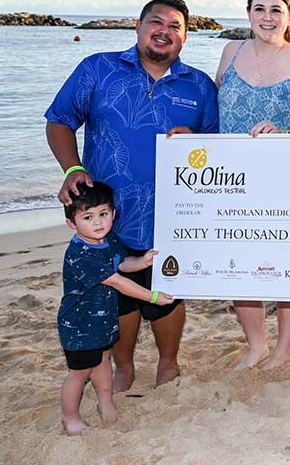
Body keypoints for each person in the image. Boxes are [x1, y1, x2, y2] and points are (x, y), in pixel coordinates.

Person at [45, 0, 219, 392]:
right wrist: (72, 169)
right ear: (138, 26)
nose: (164, 31)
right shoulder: (98, 69)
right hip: (107, 215)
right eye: (157, 22)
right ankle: (124, 367)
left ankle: (168, 364)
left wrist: (198, 141)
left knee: (168, 291)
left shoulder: (200, 86)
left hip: (173, 213)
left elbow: (219, 145)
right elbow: (59, 120)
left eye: (175, 26)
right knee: (117, 296)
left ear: (186, 37)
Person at [214, 0, 290, 370]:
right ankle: (257, 344)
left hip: (284, 182)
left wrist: (283, 133)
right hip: (230, 182)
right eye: (259, 8)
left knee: (286, 262)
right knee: (239, 262)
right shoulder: (230, 52)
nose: (267, 17)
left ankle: (285, 346)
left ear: (289, 16)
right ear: (248, 13)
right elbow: (214, 112)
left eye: (276, 9)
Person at [58, 182, 173, 435]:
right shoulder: (81, 254)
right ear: (71, 223)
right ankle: (70, 416)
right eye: (88, 217)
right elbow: (117, 281)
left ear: (113, 212)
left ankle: (105, 401)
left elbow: (121, 264)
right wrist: (152, 296)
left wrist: (142, 261)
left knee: (103, 362)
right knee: (80, 373)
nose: (98, 222)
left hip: (102, 320)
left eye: (103, 213)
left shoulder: (107, 239)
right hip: (80, 326)